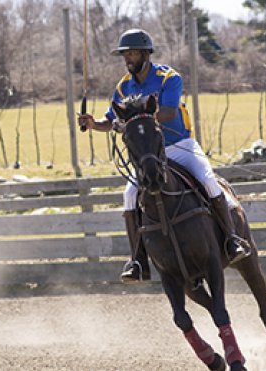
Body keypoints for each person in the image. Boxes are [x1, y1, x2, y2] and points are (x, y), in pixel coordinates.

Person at [77, 28, 250, 283]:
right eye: (125, 54)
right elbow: (112, 119)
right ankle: (137, 260)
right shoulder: (123, 86)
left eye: (132, 53)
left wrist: (133, 121)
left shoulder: (169, 77)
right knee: (129, 195)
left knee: (209, 180)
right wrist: (94, 123)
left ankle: (232, 240)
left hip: (180, 147)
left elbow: (168, 112)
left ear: (146, 53)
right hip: (148, 155)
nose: (128, 59)